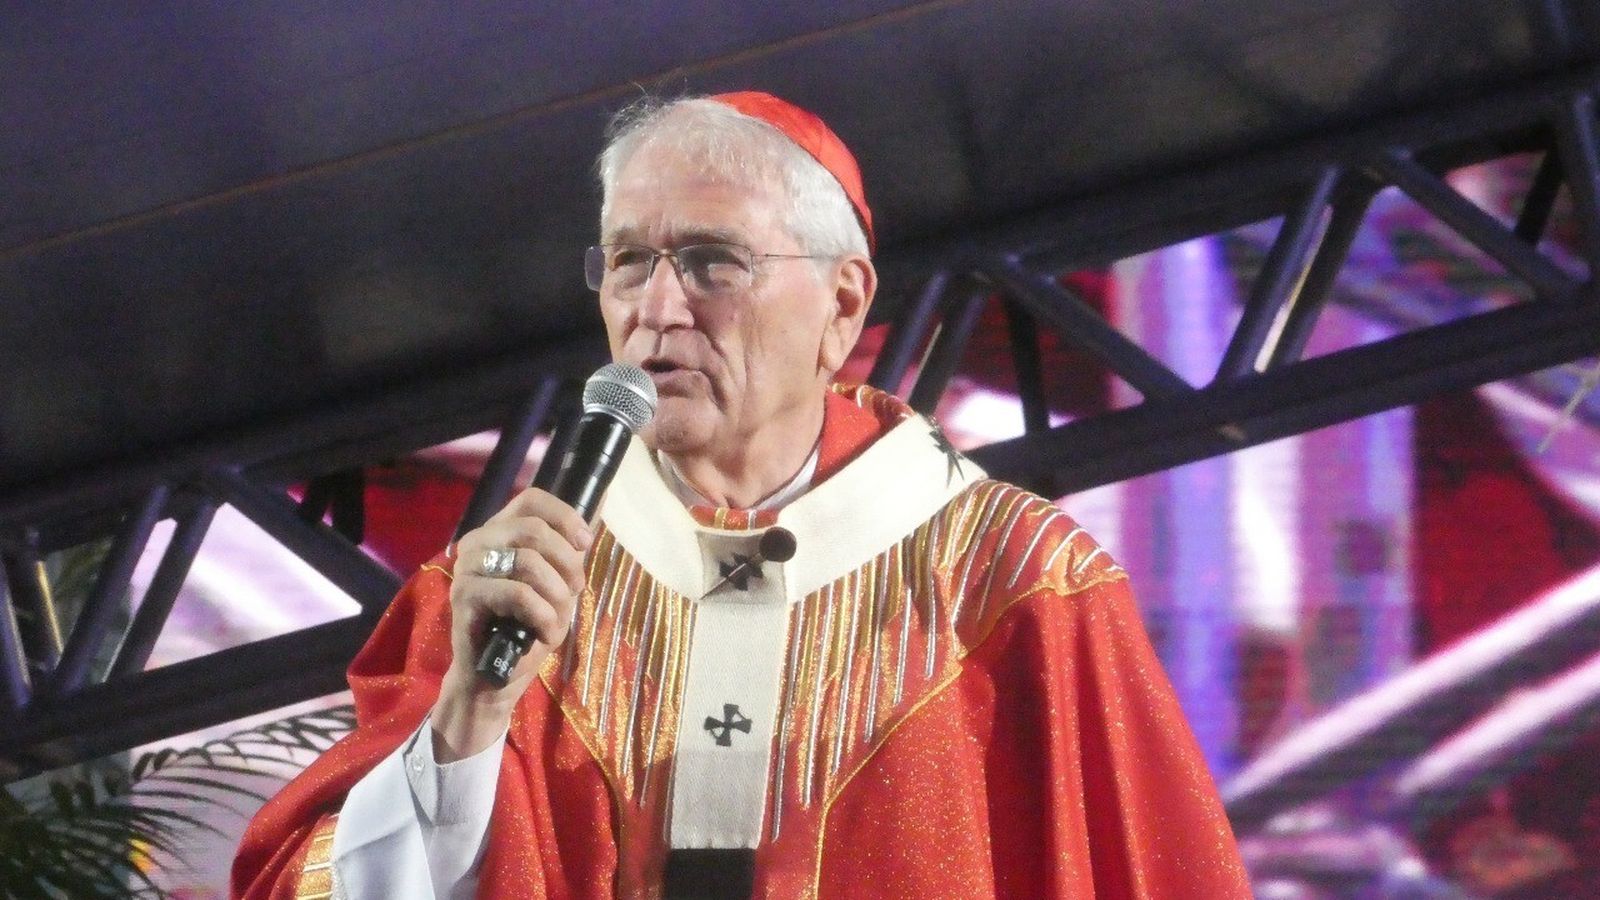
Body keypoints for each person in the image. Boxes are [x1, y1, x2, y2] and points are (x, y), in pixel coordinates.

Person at [233, 90, 1250, 899]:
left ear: (842, 305)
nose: (658, 309)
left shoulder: (1013, 586)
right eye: (629, 261)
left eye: (712, 262)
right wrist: (468, 720)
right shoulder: (510, 581)